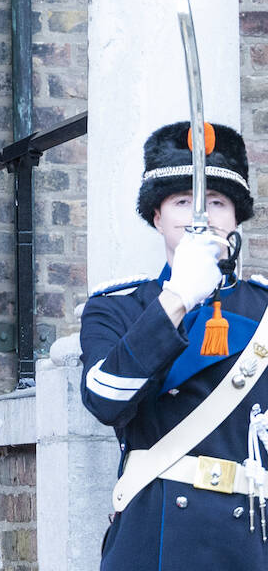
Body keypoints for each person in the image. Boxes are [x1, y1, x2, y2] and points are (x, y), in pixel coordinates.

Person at [81, 122, 268, 570]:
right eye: (183, 201)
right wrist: (178, 299)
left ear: (235, 219)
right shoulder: (118, 307)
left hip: (247, 538)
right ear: (157, 217)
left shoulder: (263, 309)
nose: (201, 216)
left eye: (216, 202)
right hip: (152, 534)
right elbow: (105, 400)